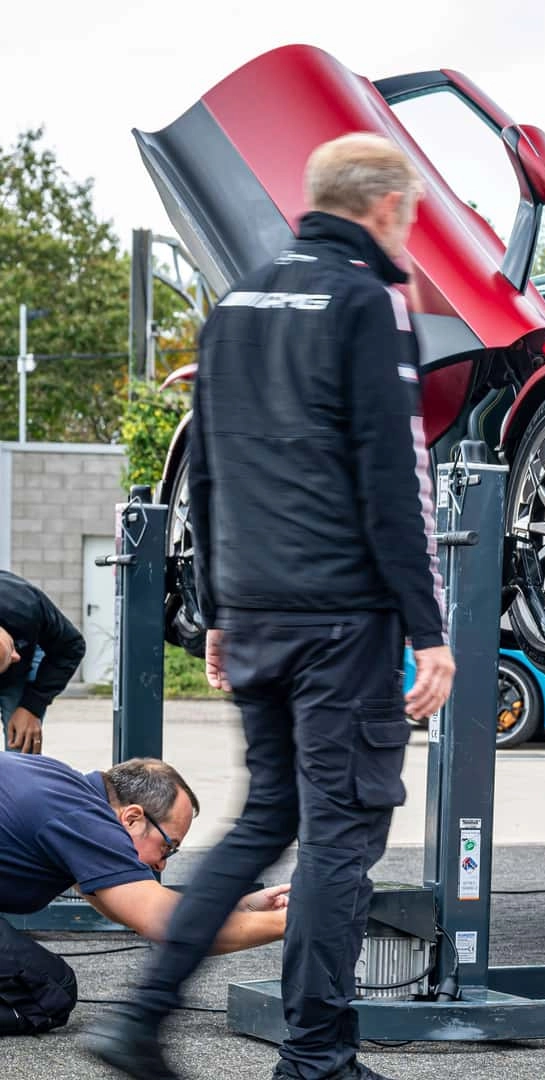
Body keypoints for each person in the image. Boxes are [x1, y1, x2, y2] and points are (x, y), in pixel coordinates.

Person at [87, 133, 454, 1080]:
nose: (410, 228)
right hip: (343, 617)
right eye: (408, 212)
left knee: (266, 819)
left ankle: (141, 1019)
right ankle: (318, 1060)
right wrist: (431, 629)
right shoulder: (369, 302)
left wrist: (215, 609)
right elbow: (392, 478)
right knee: (342, 832)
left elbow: (202, 467)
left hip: (256, 610)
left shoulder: (235, 304)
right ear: (382, 207)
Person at [0, 756, 287, 1035]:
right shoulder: (85, 820)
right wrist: (292, 921)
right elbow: (166, 922)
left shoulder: (64, 788)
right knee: (48, 993)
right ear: (133, 818)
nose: (163, 864)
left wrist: (239, 908)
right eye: (168, 847)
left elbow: (129, 906)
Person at [0, 569, 88, 755]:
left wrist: (32, 706)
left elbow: (72, 647)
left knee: (22, 742)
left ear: (14, 652)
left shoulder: (25, 607)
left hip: (27, 644)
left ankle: (23, 777)